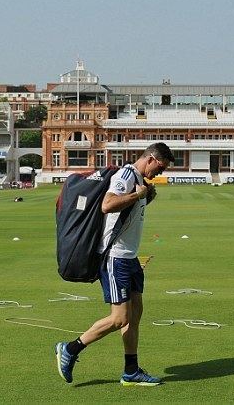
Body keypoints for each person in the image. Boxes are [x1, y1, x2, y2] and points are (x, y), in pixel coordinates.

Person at [54, 142, 174, 386]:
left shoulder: (139, 179)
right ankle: (70, 349)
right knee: (119, 318)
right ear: (151, 158)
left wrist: (145, 198)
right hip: (115, 257)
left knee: (135, 314)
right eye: (160, 167)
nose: (160, 173)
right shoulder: (127, 174)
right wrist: (138, 195)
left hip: (129, 258)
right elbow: (107, 205)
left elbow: (126, 215)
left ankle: (131, 371)